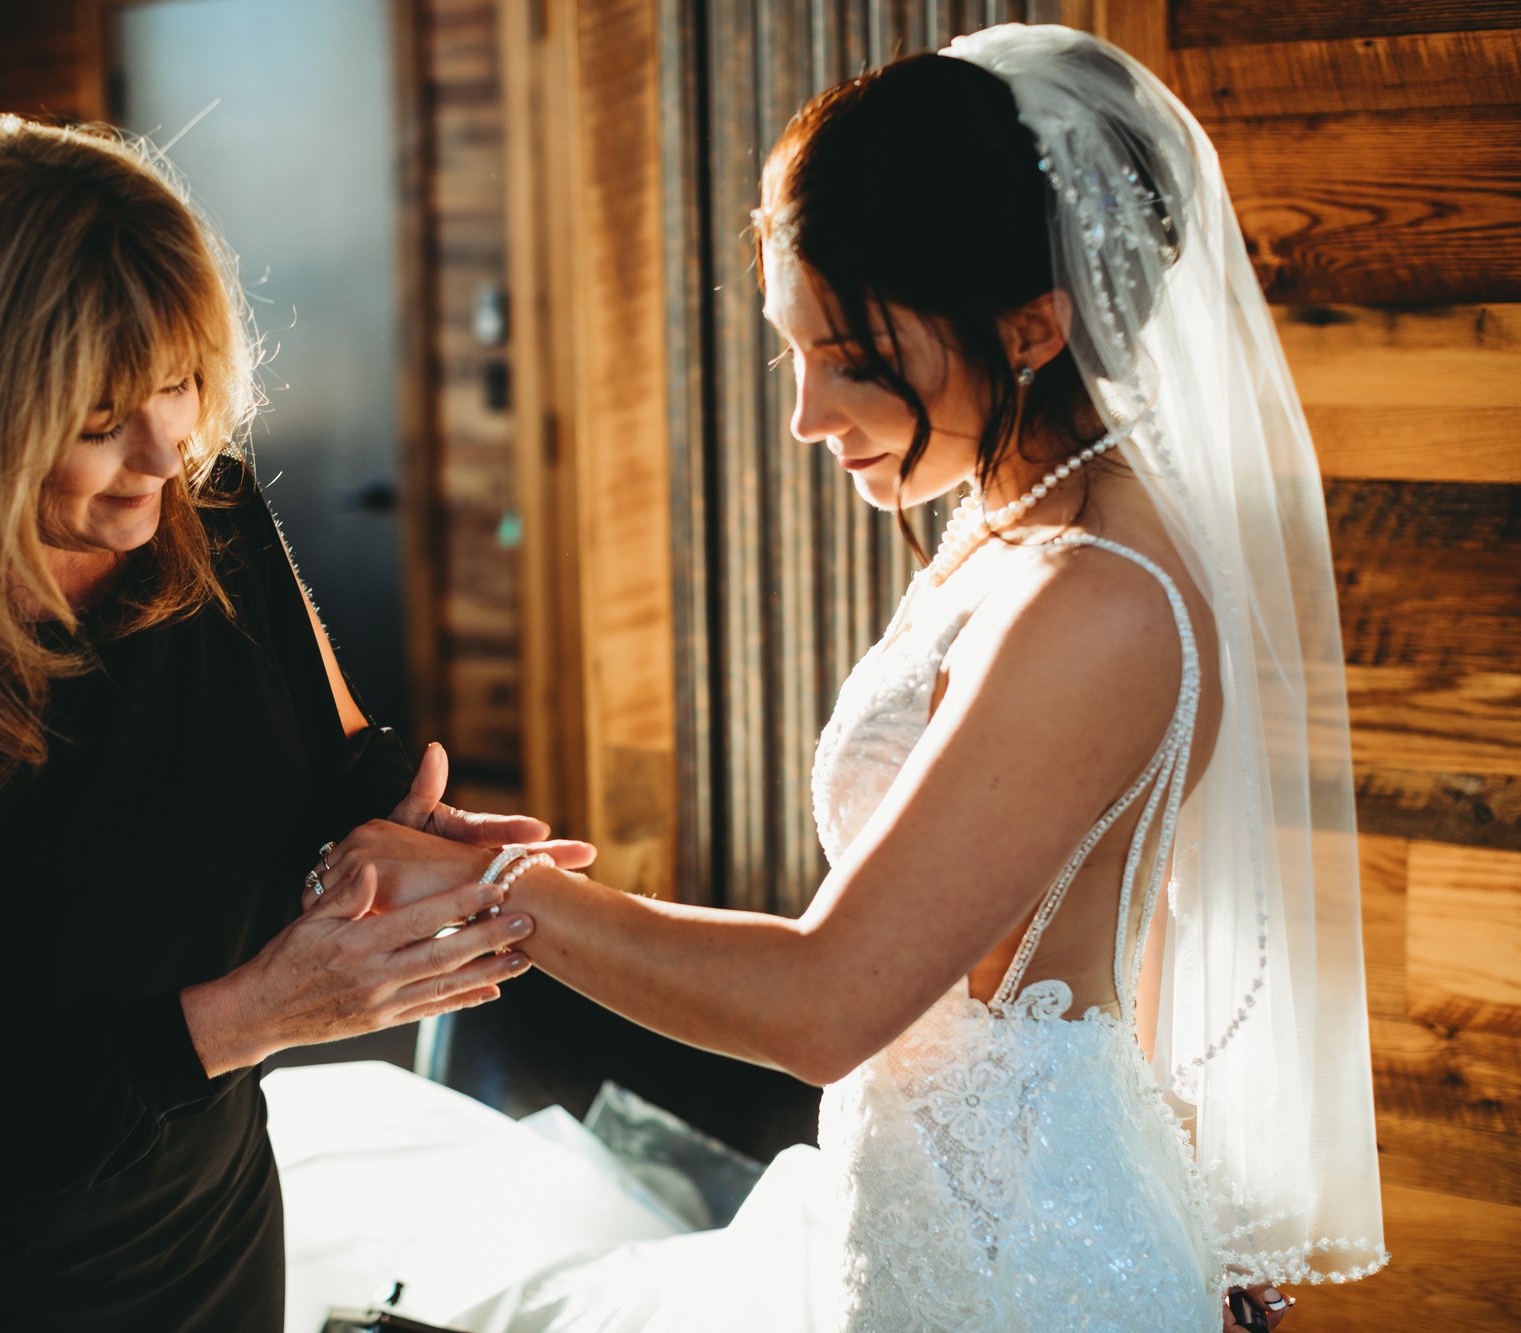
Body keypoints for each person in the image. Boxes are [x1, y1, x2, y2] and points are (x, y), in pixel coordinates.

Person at [320, 25, 1385, 1331]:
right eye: (793, 349)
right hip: (942, 1199)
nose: (806, 418)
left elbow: (828, 1003)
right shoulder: (1017, 517)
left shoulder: (1095, 600)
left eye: (854, 362)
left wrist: (501, 890)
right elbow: (1116, 914)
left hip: (1023, 1266)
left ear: (1034, 327)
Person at [0, 115, 586, 1331]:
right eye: (100, 415)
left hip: (201, 1215)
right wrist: (256, 1011)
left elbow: (324, 769)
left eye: (178, 379)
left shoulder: (198, 510)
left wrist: (394, 833)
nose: (167, 447)